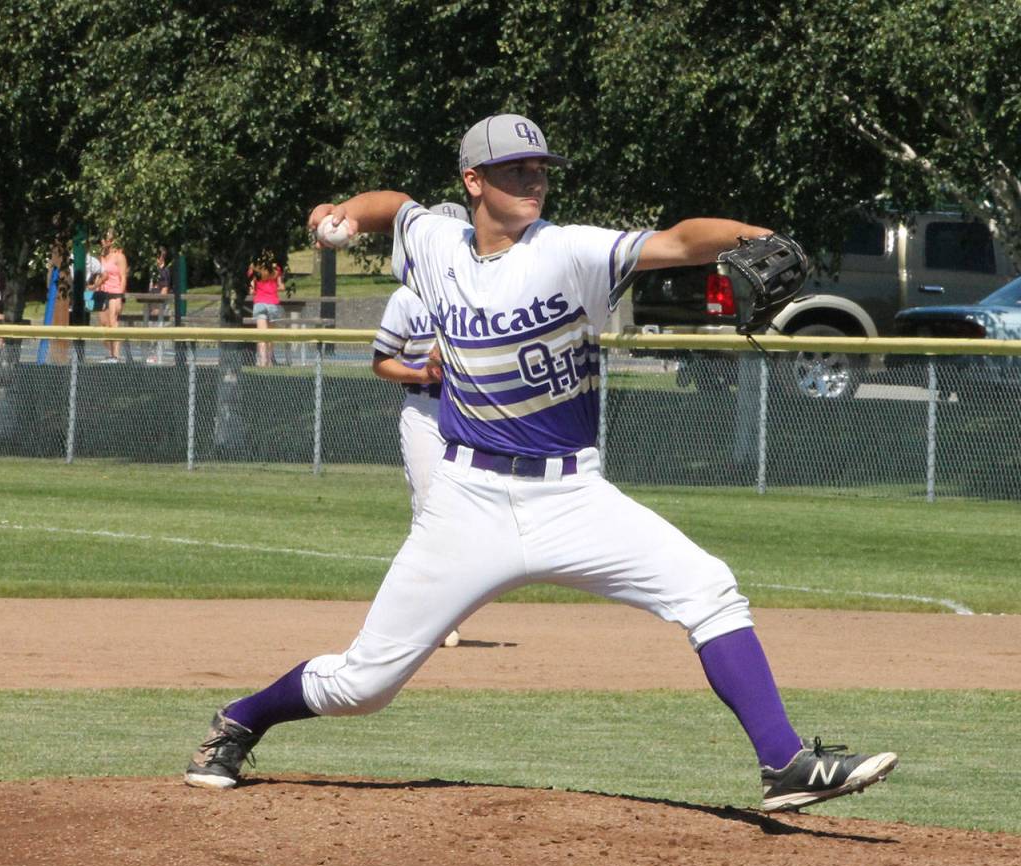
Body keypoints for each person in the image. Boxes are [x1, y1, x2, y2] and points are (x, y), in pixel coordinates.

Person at [184, 113, 898, 813]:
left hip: (572, 496)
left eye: (541, 169)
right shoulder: (437, 247)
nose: (535, 180)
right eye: (515, 169)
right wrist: (343, 215)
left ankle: (784, 762)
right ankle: (242, 720)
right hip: (466, 501)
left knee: (708, 587)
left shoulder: (569, 251)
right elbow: (395, 208)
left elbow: (680, 242)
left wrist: (756, 236)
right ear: (473, 181)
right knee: (364, 687)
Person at [371, 201, 471, 648]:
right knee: (429, 506)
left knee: (469, 509)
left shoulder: (478, 293)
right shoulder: (407, 297)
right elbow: (380, 363)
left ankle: (444, 607)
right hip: (425, 410)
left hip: (472, 412)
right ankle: (426, 615)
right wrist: (421, 373)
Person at [93, 232, 128, 362]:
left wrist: (120, 295)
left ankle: (116, 355)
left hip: (115, 292)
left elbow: (123, 277)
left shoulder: (119, 256)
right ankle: (110, 352)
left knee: (113, 322)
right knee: (103, 324)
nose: (105, 242)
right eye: (103, 239)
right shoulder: (102, 257)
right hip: (103, 292)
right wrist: (95, 287)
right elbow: (99, 274)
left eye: (108, 239)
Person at [248, 250, 286, 367]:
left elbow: (251, 290)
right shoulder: (276, 270)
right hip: (273, 303)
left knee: (261, 335)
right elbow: (282, 287)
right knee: (270, 335)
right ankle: (269, 361)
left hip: (259, 302)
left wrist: (259, 289)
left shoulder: (254, 269)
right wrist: (273, 288)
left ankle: (262, 360)